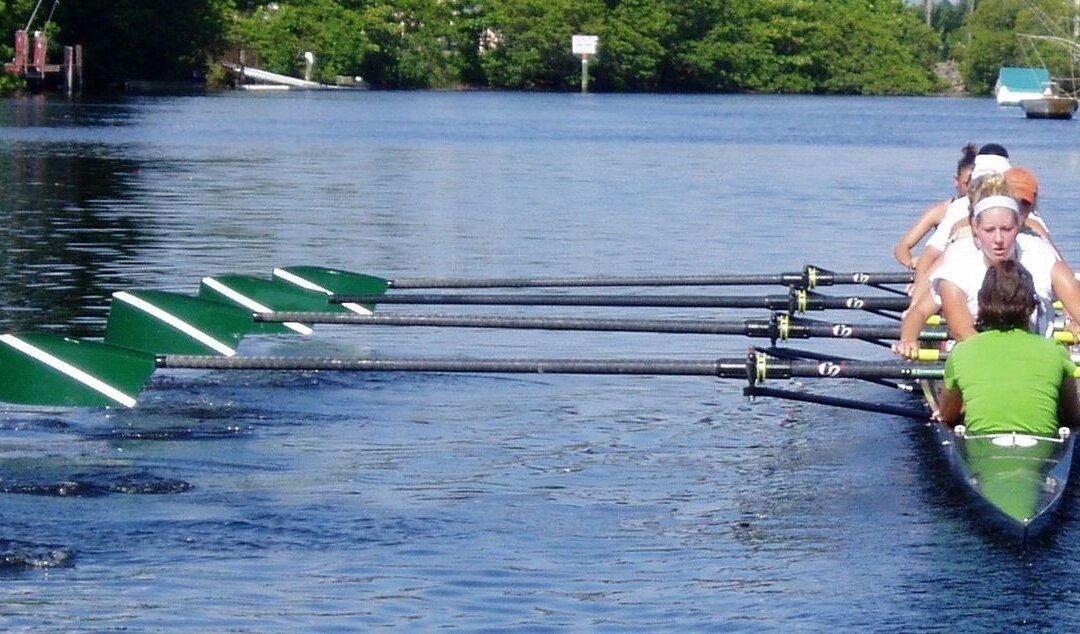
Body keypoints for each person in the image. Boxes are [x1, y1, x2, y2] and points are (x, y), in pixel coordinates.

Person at [892, 172, 1080, 357]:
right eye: (989, 230)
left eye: (1007, 229)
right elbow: (954, 329)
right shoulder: (958, 262)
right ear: (975, 230)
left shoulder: (1040, 254)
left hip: (1037, 361)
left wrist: (1073, 321)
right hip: (979, 361)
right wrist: (908, 339)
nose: (998, 239)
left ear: (1019, 226)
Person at [937, 260, 1078, 434]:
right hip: (1042, 446)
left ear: (981, 304)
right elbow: (1072, 415)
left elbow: (947, 416)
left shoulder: (962, 352)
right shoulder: (1056, 351)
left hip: (982, 449)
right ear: (1032, 306)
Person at [905, 145, 1011, 301]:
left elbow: (930, 258)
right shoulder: (959, 208)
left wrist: (918, 296)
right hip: (963, 285)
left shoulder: (1020, 208)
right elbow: (928, 257)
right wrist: (918, 290)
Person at [893, 143, 977, 271]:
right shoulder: (940, 211)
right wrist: (912, 262)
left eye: (976, 184)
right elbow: (902, 247)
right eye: (967, 184)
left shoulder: (991, 211)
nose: (971, 190)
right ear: (956, 181)